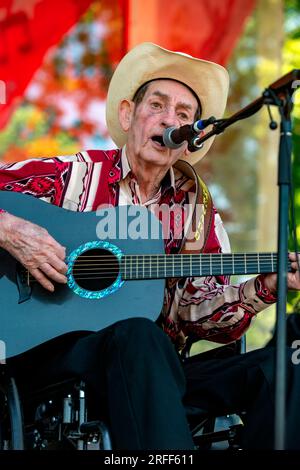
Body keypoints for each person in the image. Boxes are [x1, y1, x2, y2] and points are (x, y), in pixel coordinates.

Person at [0, 42, 300, 450]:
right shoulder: (71, 177)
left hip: (158, 376)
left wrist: (262, 286)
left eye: (183, 115)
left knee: (284, 364)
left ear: (191, 137)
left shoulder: (196, 210)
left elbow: (200, 316)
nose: (168, 120)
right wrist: (13, 231)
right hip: (57, 363)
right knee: (140, 335)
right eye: (157, 105)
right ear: (128, 114)